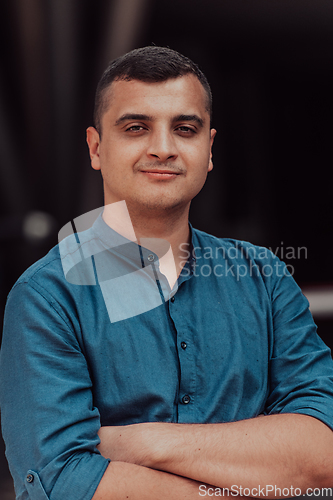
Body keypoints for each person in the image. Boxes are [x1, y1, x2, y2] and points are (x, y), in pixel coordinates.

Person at [1, 46, 333, 500]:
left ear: (209, 149)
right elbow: (63, 483)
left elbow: (322, 454)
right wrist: (257, 476)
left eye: (184, 128)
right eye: (136, 127)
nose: (163, 148)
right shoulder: (47, 296)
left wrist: (140, 442)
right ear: (97, 148)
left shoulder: (265, 278)